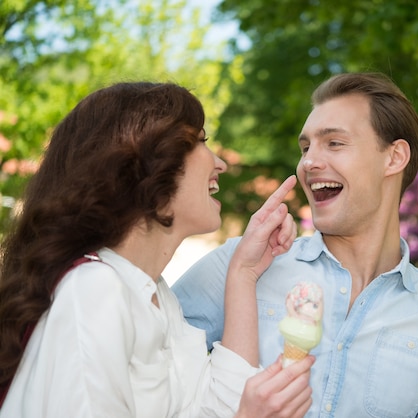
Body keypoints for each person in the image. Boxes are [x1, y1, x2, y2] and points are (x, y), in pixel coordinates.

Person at [173, 72, 418, 417]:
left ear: (394, 157)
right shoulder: (241, 263)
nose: (308, 162)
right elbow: (143, 373)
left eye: (334, 143)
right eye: (305, 147)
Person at [0, 82, 315, 418]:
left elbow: (214, 409)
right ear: (148, 165)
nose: (220, 162)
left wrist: (244, 272)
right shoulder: (94, 291)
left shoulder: (155, 296)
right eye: (201, 141)